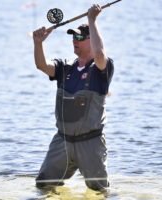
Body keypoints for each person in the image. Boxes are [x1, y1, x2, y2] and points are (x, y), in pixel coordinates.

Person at [32, 4, 114, 191]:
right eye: (73, 37)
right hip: (62, 141)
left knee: (99, 191)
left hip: (90, 143)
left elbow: (100, 54)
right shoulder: (64, 67)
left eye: (79, 37)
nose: (74, 40)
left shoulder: (102, 68)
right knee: (43, 186)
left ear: (91, 40)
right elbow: (41, 66)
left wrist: (92, 21)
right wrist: (38, 43)